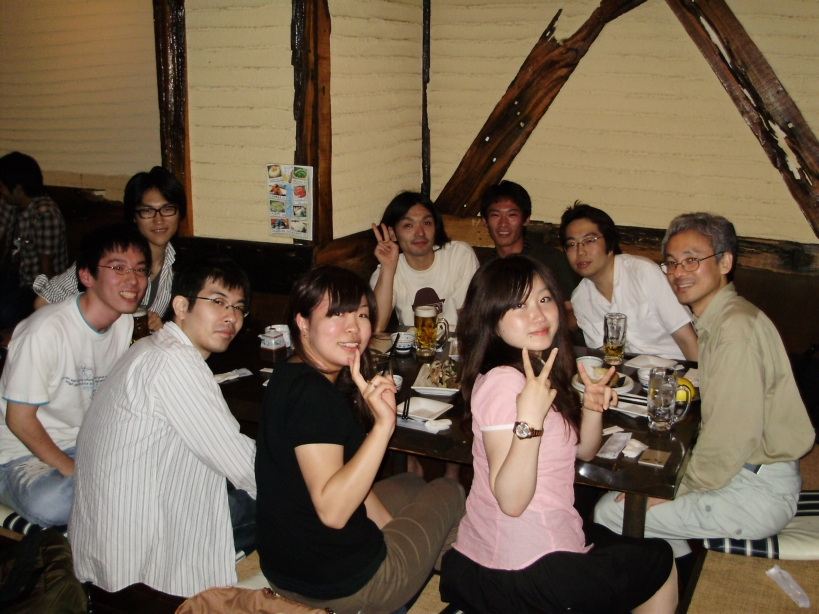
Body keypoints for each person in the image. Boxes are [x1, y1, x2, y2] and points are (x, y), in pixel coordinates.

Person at [438, 256, 677, 613]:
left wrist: (591, 409)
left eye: (544, 299)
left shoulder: (536, 369)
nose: (538, 315)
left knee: (621, 546)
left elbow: (582, 452)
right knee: (660, 560)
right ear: (491, 319)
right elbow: (512, 502)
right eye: (519, 305)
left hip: (510, 548)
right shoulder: (504, 383)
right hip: (524, 569)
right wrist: (530, 420)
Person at [595, 213, 815, 562]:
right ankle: (679, 569)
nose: (678, 272)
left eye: (692, 260)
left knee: (611, 511)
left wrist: (671, 489)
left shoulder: (734, 332)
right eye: (671, 263)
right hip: (745, 473)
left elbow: (729, 441)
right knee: (641, 477)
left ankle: (667, 574)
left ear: (725, 262)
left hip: (756, 490)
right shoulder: (723, 319)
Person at [255, 266, 464, 614]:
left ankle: (418, 566)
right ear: (303, 323)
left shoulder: (290, 373)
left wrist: (392, 536)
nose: (353, 327)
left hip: (285, 570)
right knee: (449, 490)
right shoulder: (314, 397)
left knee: (413, 485)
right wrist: (384, 425)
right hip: (339, 586)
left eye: (362, 315)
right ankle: (458, 589)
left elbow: (348, 478)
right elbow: (334, 512)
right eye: (337, 314)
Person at [70, 257, 257, 598]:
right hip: (137, 564)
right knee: (282, 501)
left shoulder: (152, 346)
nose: (231, 316)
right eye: (218, 302)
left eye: (238, 307)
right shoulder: (175, 363)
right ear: (181, 306)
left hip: (104, 542)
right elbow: (243, 463)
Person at [0, 224, 149, 527]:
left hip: (87, 446)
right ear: (86, 276)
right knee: (52, 504)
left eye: (140, 269)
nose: (133, 280)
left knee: (170, 463)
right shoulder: (44, 331)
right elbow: (19, 421)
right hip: (22, 455)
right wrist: (74, 471)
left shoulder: (125, 324)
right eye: (118, 268)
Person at [33, 166, 185, 332]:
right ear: (134, 216)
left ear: (179, 213)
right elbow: (43, 302)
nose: (159, 220)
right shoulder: (108, 253)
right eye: (147, 211)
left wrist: (159, 328)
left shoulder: (179, 267)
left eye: (167, 209)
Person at [560, 202, 698, 361]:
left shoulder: (643, 273)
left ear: (610, 243)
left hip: (677, 367)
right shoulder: (580, 299)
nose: (580, 251)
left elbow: (687, 339)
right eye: (571, 244)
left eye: (589, 240)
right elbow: (603, 357)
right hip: (628, 373)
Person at [370, 191, 479, 331]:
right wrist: (388, 267)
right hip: (413, 343)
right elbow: (377, 327)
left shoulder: (459, 255)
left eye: (427, 223)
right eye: (408, 225)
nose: (420, 232)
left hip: (457, 341)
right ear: (392, 233)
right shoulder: (386, 271)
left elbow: (470, 322)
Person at [480, 181, 577, 320]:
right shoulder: (486, 269)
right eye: (495, 215)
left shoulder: (551, 259)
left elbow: (570, 313)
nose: (503, 224)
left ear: (526, 220)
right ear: (485, 221)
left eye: (512, 215)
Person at [0, 151, 68, 329]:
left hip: (35, 286)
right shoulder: (9, 203)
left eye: (3, 187)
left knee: (5, 313)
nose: (1, 192)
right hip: (12, 277)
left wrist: (56, 307)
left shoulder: (45, 214)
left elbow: (47, 269)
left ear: (18, 189)